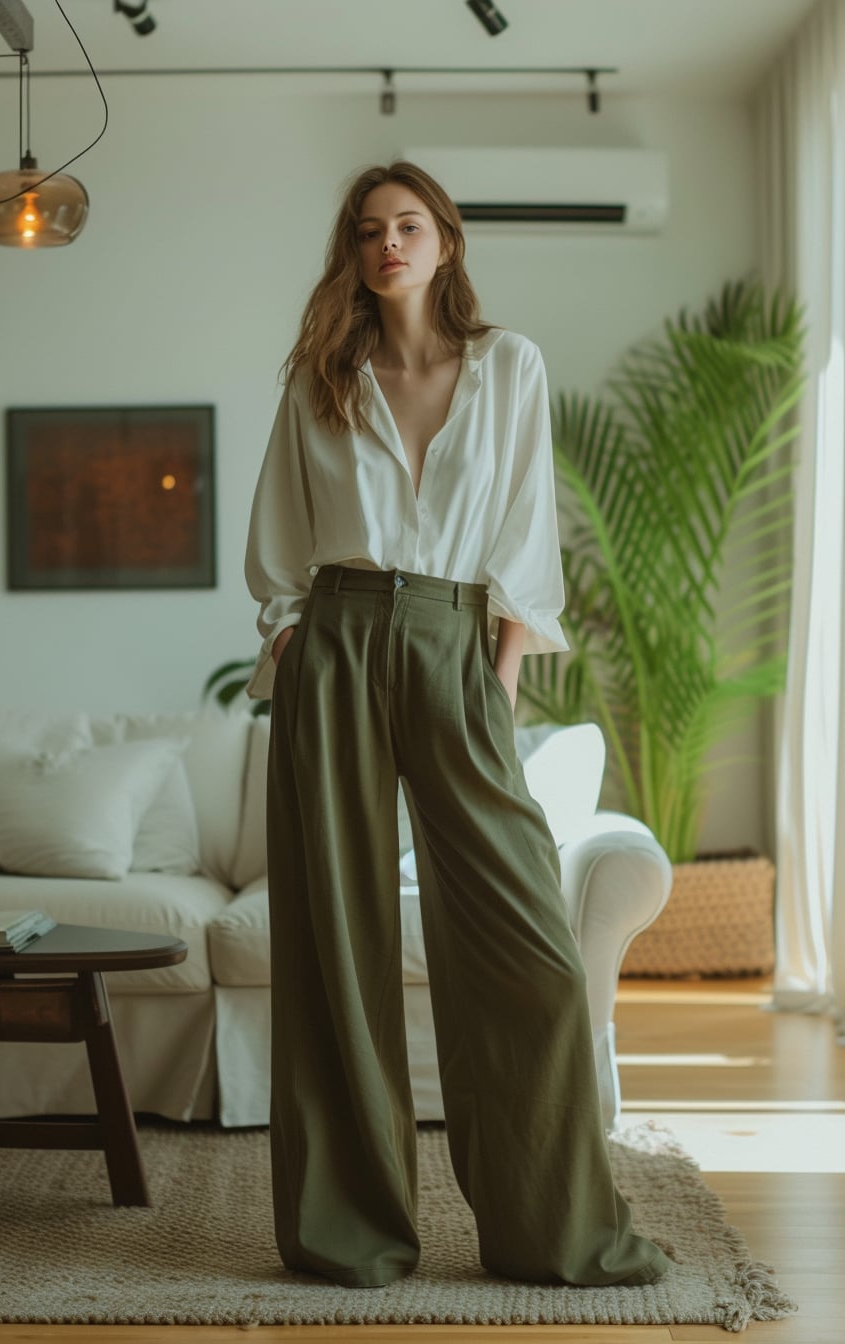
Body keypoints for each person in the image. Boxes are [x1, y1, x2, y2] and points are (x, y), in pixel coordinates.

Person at [244, 160, 669, 1291]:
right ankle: (352, 1233)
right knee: (335, 944)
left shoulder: (506, 367)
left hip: (453, 639)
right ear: (354, 250)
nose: (390, 244)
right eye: (371, 230)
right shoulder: (319, 379)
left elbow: (527, 530)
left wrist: (507, 668)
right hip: (333, 636)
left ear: (445, 241)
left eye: (410, 226)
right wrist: (290, 639)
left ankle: (552, 1230)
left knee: (526, 947)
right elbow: (280, 534)